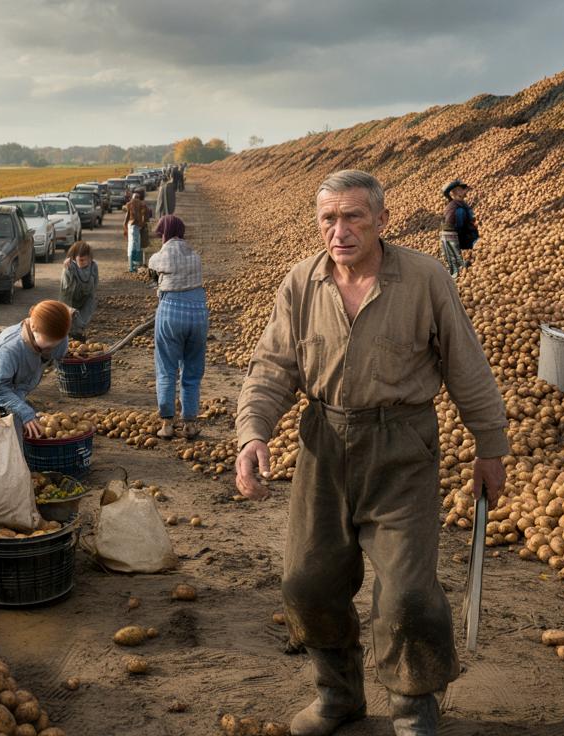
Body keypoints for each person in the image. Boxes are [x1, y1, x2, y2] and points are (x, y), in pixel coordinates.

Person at [234, 170, 508, 736]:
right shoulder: (301, 283)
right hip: (323, 444)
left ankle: (413, 705)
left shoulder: (425, 279)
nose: (339, 230)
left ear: (382, 220)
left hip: (402, 445)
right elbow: (273, 369)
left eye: (353, 216)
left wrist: (490, 446)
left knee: (407, 592)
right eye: (328, 219)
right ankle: (338, 695)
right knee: (307, 582)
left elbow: (467, 365)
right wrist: (253, 433)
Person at [148, 214, 207, 440]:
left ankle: (167, 424)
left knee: (166, 368)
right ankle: (190, 424)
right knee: (192, 369)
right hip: (199, 314)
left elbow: (154, 283)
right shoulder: (195, 257)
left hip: (170, 313)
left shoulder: (157, 257)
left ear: (164, 233)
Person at [0, 300, 71, 439]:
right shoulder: (10, 349)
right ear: (33, 327)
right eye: (49, 342)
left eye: (58, 341)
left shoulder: (58, 336)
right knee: (11, 432)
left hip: (20, 386)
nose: (54, 346)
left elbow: (58, 351)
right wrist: (24, 412)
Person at [439, 179, 479, 278]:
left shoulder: (460, 204)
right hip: (452, 237)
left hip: (456, 236)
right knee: (456, 268)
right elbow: (456, 227)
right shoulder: (456, 207)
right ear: (455, 193)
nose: (465, 191)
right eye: (462, 189)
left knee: (459, 264)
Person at [60, 241, 99, 341]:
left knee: (83, 319)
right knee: (71, 319)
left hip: (86, 298)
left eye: (86, 260)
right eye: (80, 260)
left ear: (90, 258)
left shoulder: (93, 266)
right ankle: (71, 335)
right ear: (74, 258)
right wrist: (68, 309)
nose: (84, 263)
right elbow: (65, 290)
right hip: (70, 299)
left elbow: (95, 285)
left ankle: (78, 333)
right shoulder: (69, 267)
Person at [123, 190, 150, 272]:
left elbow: (124, 210)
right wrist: (143, 224)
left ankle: (132, 266)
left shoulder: (130, 204)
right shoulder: (142, 204)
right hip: (136, 227)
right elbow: (146, 216)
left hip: (131, 226)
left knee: (132, 245)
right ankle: (134, 266)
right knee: (136, 246)